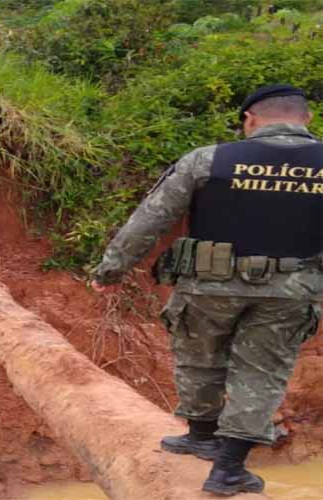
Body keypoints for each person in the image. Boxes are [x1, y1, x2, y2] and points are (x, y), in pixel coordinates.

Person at [91, 84, 322, 497]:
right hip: (290, 290)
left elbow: (151, 219)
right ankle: (229, 470)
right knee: (262, 373)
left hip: (208, 285)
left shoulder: (209, 159)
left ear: (249, 120)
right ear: (306, 118)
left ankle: (201, 437)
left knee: (199, 358)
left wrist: (111, 270)